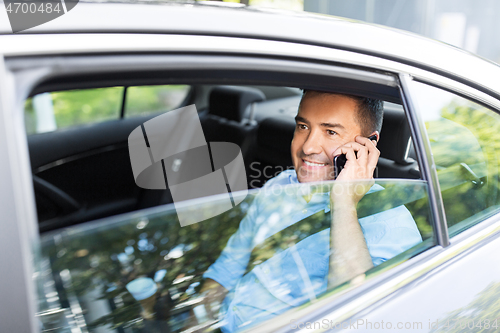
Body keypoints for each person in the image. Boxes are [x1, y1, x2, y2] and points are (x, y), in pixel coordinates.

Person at [200, 90, 422, 332]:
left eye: (331, 132)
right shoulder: (279, 185)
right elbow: (230, 264)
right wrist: (198, 317)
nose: (308, 147)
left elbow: (357, 322)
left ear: (368, 145)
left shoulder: (392, 225)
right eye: (303, 126)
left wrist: (344, 204)